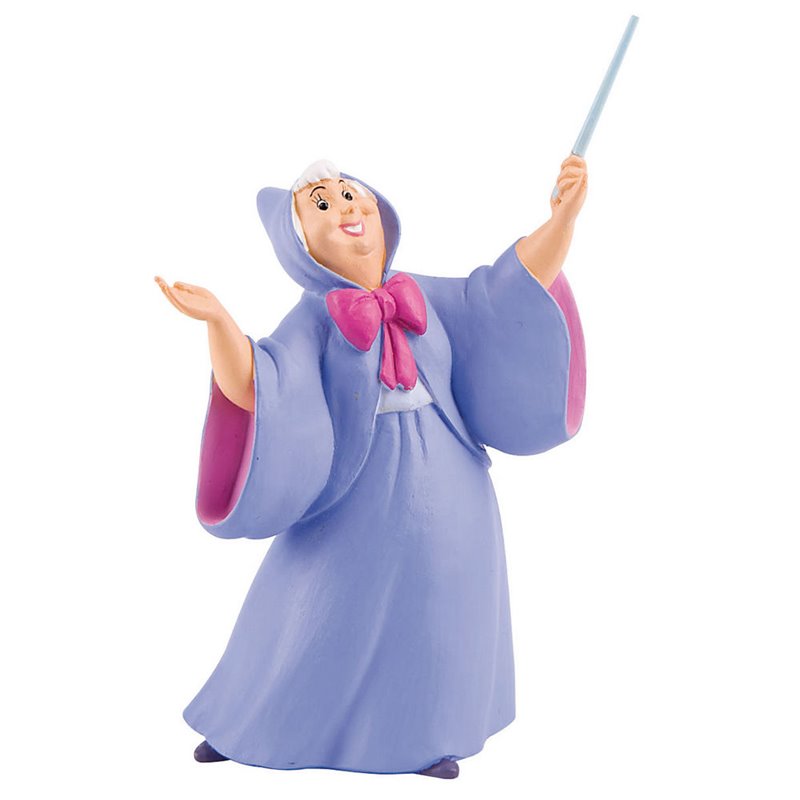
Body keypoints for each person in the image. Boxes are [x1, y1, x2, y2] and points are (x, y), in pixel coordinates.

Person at [155, 156, 587, 778]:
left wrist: (562, 220)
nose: (347, 207)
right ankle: (252, 724)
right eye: (322, 204)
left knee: (438, 606)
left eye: (351, 194)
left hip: (452, 488)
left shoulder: (425, 296)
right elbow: (260, 382)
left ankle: (430, 733)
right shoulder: (314, 319)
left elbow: (508, 289)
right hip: (353, 494)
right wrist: (220, 324)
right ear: (301, 245)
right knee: (311, 609)